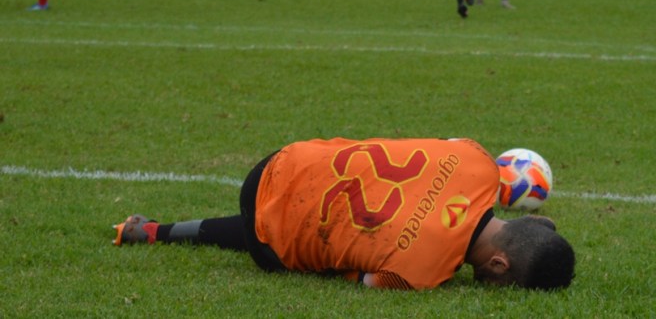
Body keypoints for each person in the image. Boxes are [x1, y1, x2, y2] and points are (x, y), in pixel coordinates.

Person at [112, 137, 576, 291]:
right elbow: (358, 277)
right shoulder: (420, 276)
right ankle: (156, 231)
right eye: (499, 282)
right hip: (269, 242)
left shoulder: (477, 161)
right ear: (499, 265)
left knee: (288, 215)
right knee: (301, 237)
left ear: (531, 218)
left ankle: (154, 231)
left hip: (281, 161)